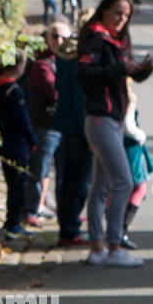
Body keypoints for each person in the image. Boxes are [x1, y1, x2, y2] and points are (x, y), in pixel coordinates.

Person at [76, 0, 153, 267]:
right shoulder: (95, 37)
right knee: (124, 182)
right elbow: (84, 74)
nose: (122, 19)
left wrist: (142, 70)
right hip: (101, 118)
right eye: (118, 13)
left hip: (109, 119)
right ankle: (114, 246)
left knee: (102, 185)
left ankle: (98, 247)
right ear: (104, 11)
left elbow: (122, 73)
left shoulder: (113, 38)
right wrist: (121, 67)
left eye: (126, 15)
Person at [22, 22, 68, 224]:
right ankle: (31, 210)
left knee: (63, 173)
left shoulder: (67, 62)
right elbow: (55, 92)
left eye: (64, 37)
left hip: (64, 126)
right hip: (46, 126)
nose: (59, 41)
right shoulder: (42, 65)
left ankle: (66, 215)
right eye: (55, 36)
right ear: (47, 38)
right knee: (39, 170)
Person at [52, 19, 93, 246]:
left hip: (64, 124)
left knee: (67, 180)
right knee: (78, 181)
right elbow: (80, 98)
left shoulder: (64, 55)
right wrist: (87, 130)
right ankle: (70, 229)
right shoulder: (80, 57)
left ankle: (67, 226)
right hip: (78, 127)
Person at [0, 52, 38, 239]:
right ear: (18, 67)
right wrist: (32, 139)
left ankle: (12, 222)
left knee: (13, 184)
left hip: (4, 140)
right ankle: (13, 223)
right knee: (18, 185)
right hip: (17, 143)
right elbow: (23, 121)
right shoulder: (13, 90)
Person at [121, 77, 153, 249]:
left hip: (119, 142)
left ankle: (118, 228)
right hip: (130, 146)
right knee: (138, 186)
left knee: (122, 187)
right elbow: (128, 126)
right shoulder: (128, 97)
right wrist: (141, 135)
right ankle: (122, 229)